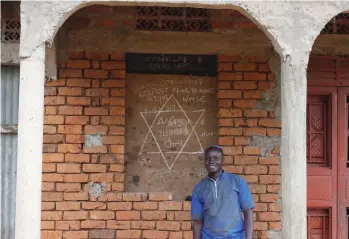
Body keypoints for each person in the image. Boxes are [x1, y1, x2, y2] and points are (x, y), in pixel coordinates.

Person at [191, 145, 255, 239]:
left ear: (222, 160)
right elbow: (197, 222)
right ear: (204, 161)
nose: (211, 161)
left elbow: (248, 212)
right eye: (207, 159)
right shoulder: (199, 188)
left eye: (216, 158)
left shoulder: (237, 182)